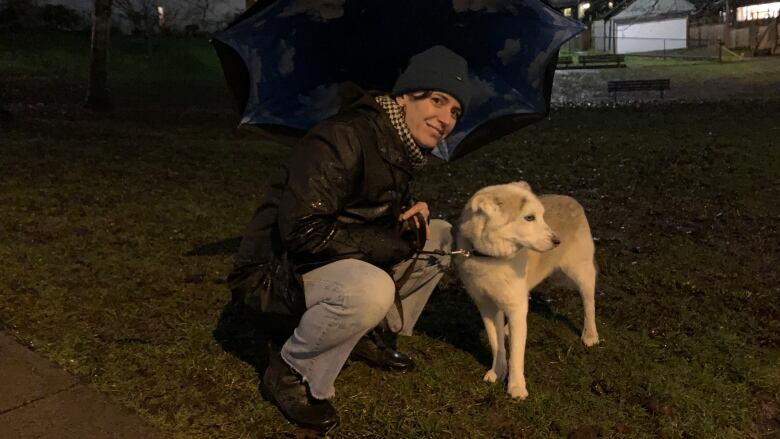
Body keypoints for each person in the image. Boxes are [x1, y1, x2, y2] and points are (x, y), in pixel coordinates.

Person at [227, 45, 471, 431]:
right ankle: (293, 369)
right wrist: (392, 242)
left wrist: (406, 218)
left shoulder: (401, 146)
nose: (445, 119)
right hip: (274, 274)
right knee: (371, 289)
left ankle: (363, 331)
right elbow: (303, 232)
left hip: (327, 260)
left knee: (438, 235)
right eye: (438, 100)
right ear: (405, 96)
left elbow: (365, 213)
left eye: (455, 112)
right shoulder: (343, 137)